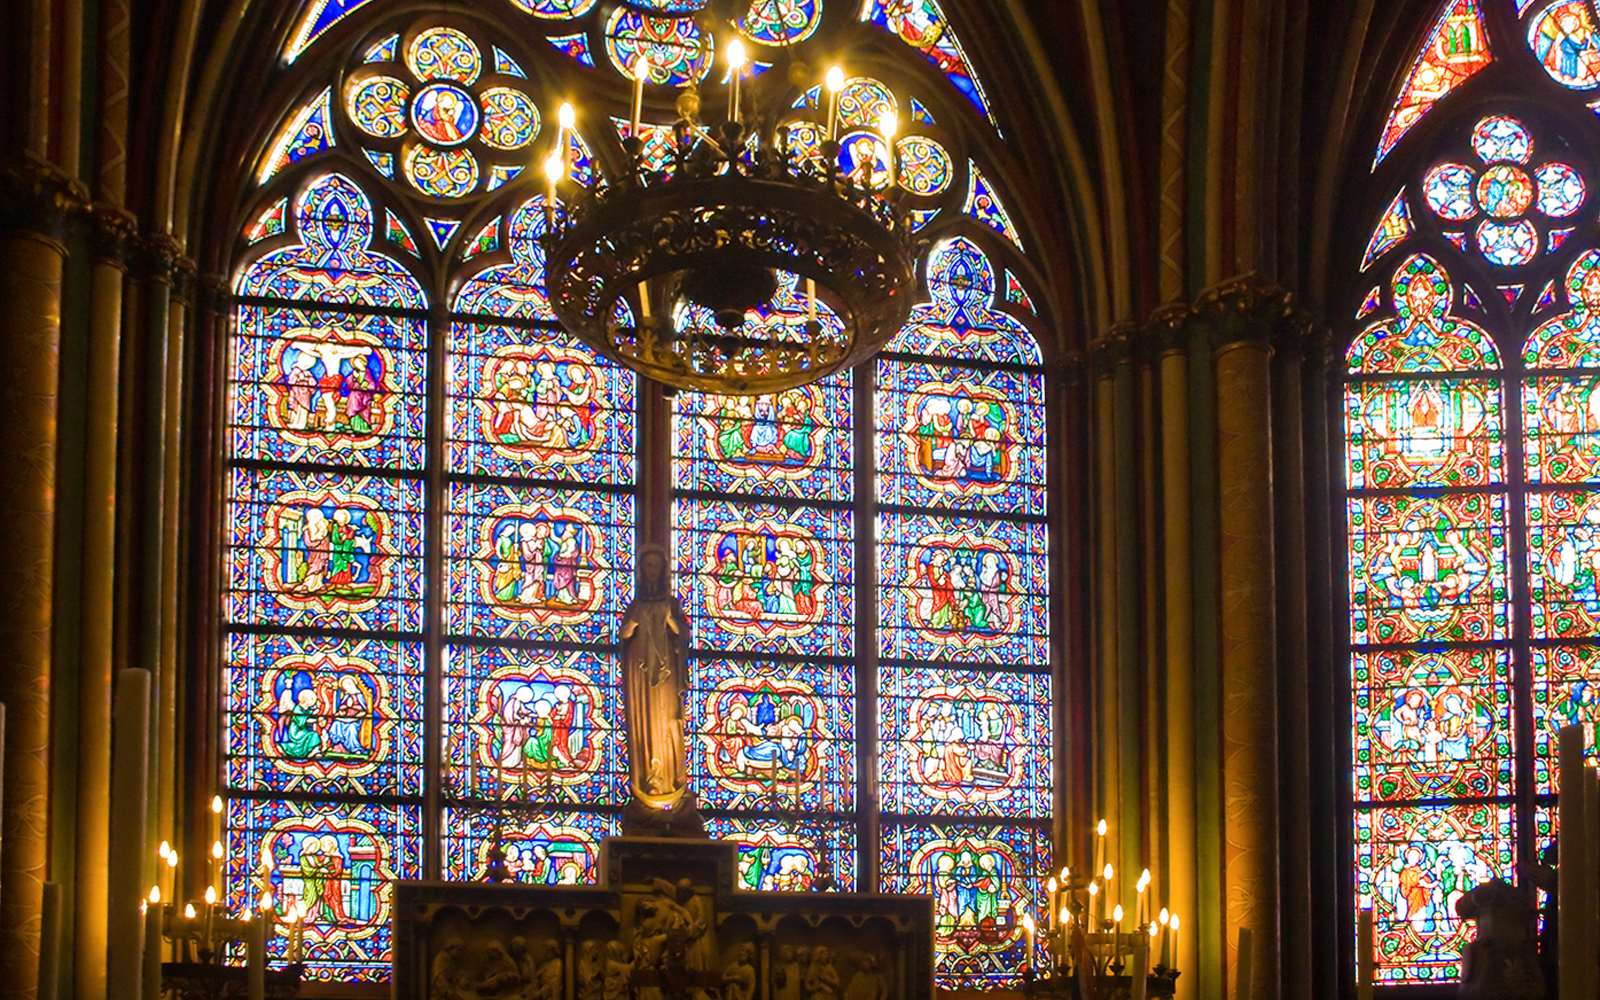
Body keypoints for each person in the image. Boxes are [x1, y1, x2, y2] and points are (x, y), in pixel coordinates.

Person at [618, 546, 691, 809]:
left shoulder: (672, 603)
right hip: (641, 677)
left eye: (656, 565)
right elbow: (624, 636)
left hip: (666, 677)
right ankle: (647, 777)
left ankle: (669, 777)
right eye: (647, 565)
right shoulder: (634, 605)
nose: (652, 571)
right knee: (645, 721)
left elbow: (682, 636)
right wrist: (633, 623)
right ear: (640, 571)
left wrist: (672, 622)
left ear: (663, 570)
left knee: (667, 719)